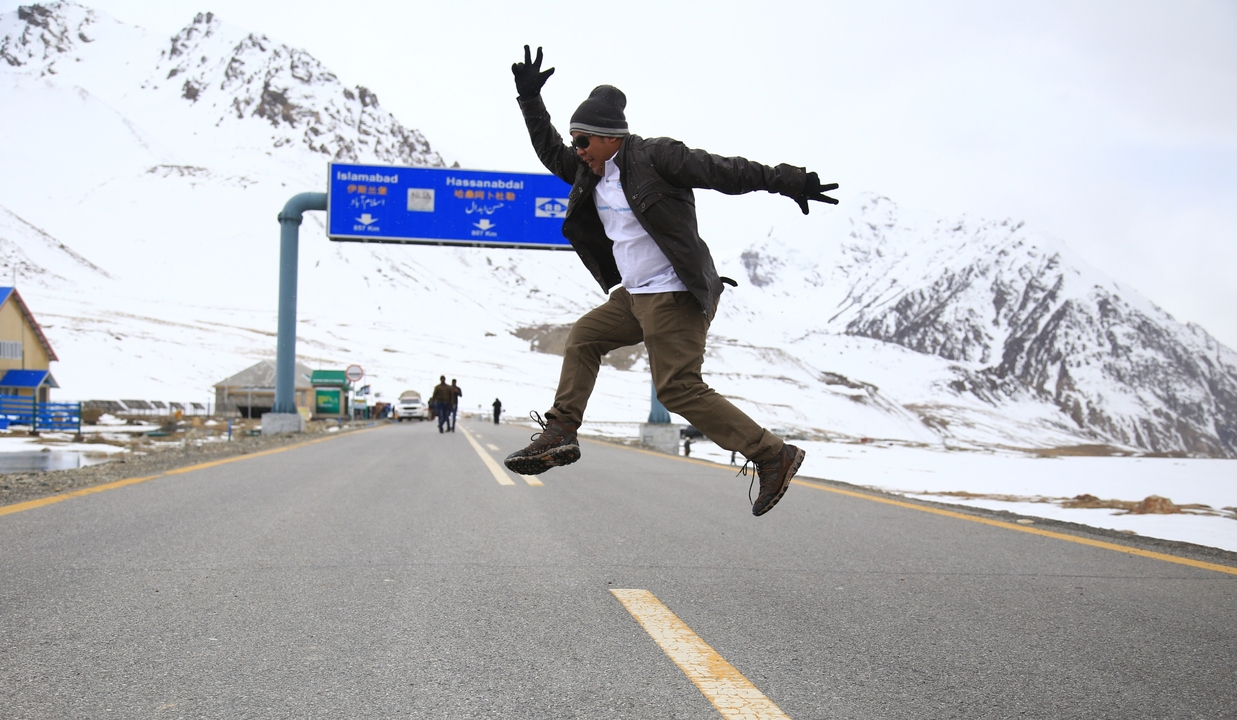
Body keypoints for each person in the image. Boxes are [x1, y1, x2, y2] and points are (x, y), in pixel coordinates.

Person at [503, 47, 838, 517]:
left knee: (678, 387)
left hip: (674, 291)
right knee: (584, 338)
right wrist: (529, 98)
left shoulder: (657, 157)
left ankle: (772, 454)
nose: (576, 151)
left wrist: (789, 181)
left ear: (608, 137)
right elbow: (548, 148)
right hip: (636, 297)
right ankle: (561, 434)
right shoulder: (589, 171)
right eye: (575, 143)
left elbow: (725, 170)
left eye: (583, 142)